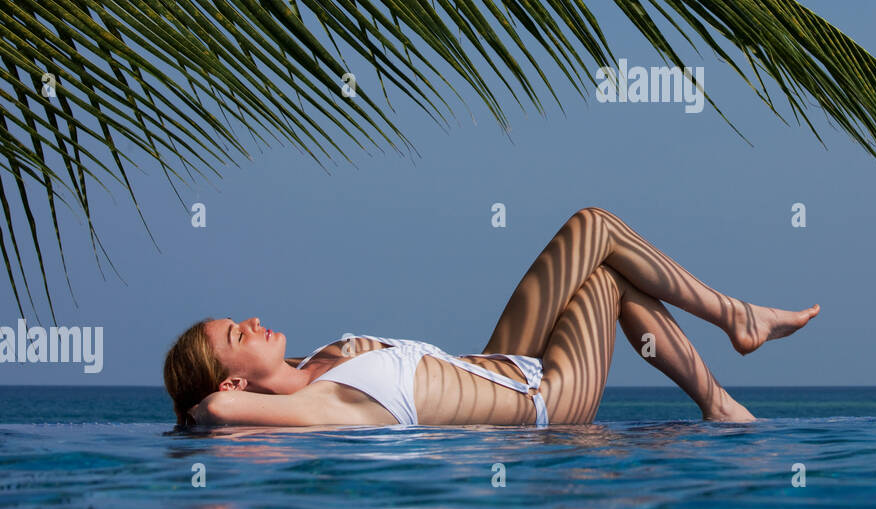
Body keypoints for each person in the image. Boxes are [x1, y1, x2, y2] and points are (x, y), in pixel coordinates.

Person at [163, 206, 819, 429]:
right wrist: (195, 411)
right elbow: (215, 416)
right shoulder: (316, 408)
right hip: (544, 400)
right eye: (235, 337)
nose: (251, 322)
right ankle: (736, 337)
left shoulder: (314, 363)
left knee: (595, 234)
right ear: (233, 383)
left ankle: (724, 385)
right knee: (609, 263)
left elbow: (217, 409)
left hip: (497, 359)